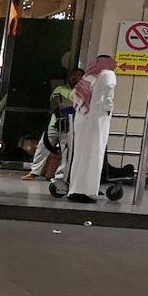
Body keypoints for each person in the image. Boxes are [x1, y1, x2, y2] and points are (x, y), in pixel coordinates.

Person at [68, 55, 117, 203]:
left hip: (82, 117)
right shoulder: (108, 74)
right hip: (96, 119)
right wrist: (109, 110)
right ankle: (84, 191)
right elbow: (108, 95)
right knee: (93, 155)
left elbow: (77, 96)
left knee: (80, 155)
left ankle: (75, 189)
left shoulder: (89, 75)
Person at [25, 68, 83, 181]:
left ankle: (60, 177)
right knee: (43, 146)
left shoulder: (83, 91)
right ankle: (34, 172)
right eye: (73, 75)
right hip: (55, 122)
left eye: (79, 75)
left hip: (70, 125)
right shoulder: (60, 89)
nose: (75, 77)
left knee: (66, 150)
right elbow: (54, 103)